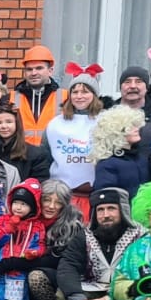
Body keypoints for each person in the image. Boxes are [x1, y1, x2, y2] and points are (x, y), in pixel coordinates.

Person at [23, 179, 90, 300]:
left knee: (36, 277)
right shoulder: (29, 219)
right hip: (36, 265)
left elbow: (57, 261)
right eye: (47, 200)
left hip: (65, 275)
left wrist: (11, 264)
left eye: (58, 202)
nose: (51, 206)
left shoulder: (72, 225)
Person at [46, 63, 103, 213]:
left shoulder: (104, 121)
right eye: (75, 92)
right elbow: (45, 158)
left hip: (93, 194)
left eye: (85, 92)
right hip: (61, 194)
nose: (79, 96)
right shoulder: (55, 123)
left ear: (94, 95)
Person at [91, 105, 151, 200]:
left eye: (135, 125)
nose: (136, 129)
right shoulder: (107, 165)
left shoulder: (142, 158)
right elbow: (107, 200)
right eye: (130, 127)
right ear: (116, 132)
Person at [0, 106, 52, 182]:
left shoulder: (36, 154)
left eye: (9, 122)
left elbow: (39, 182)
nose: (4, 126)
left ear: (17, 123)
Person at [12, 46, 62, 146]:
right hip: (20, 157)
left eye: (39, 68)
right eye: (29, 69)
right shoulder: (10, 98)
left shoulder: (66, 97)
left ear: (50, 70)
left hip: (53, 157)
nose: (34, 73)